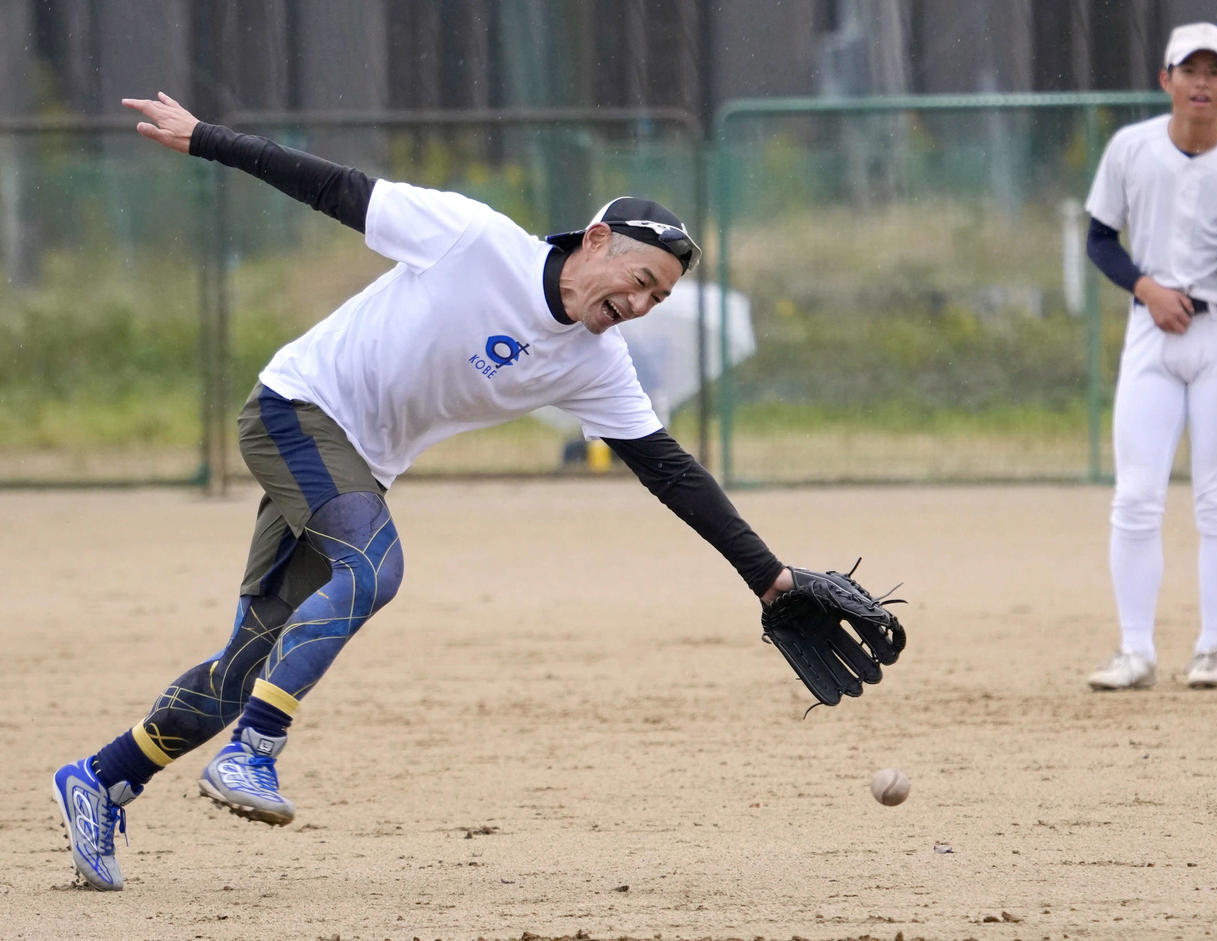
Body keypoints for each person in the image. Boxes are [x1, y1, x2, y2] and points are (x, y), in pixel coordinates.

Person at [52, 92, 820, 891]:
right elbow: (335, 187)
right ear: (596, 240)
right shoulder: (475, 240)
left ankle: (102, 778)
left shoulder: (594, 361)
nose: (639, 304)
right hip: (298, 409)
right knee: (373, 567)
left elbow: (669, 468)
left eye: (657, 298)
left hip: (357, 463)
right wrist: (206, 138)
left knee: (244, 662)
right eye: (639, 280)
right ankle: (256, 746)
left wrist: (768, 577)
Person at [1082, 23, 1217, 692]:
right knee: (1137, 495)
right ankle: (1136, 650)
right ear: (1166, 79)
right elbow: (1099, 237)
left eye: (1214, 71)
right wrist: (1146, 288)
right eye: (1189, 69)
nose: (1201, 82)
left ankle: (1212, 649)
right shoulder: (1132, 149)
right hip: (1153, 333)